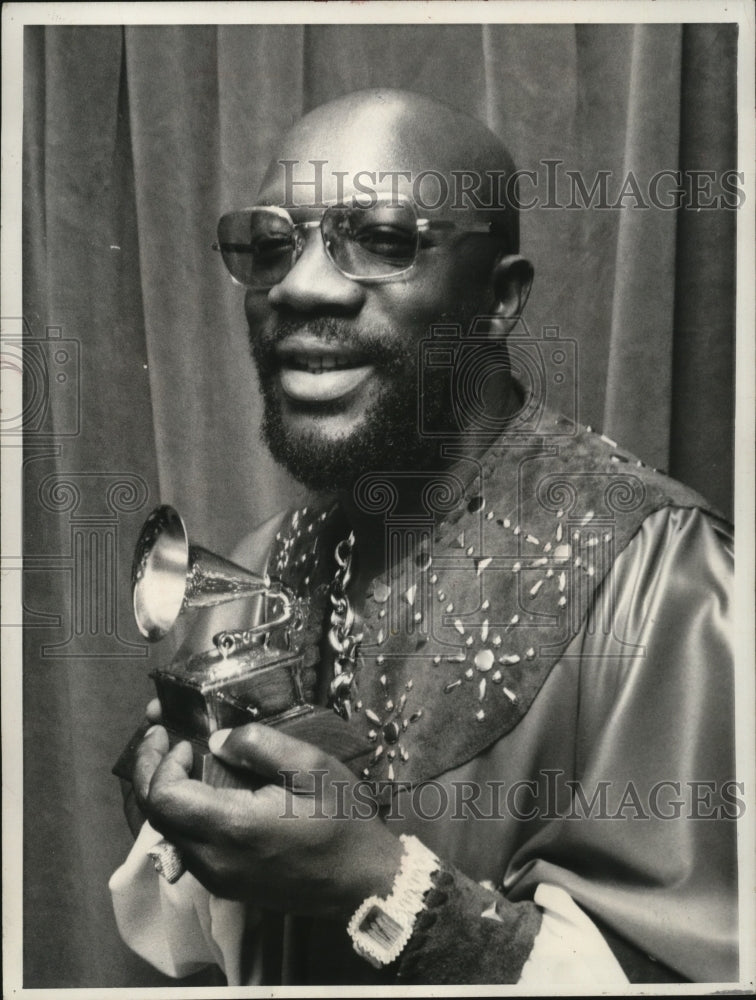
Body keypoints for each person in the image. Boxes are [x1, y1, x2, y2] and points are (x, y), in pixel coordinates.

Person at [109, 89, 737, 986]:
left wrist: (378, 883)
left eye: (382, 239)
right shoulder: (256, 564)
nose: (300, 286)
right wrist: (184, 816)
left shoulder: (670, 586)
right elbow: (189, 946)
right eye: (272, 244)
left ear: (499, 299)